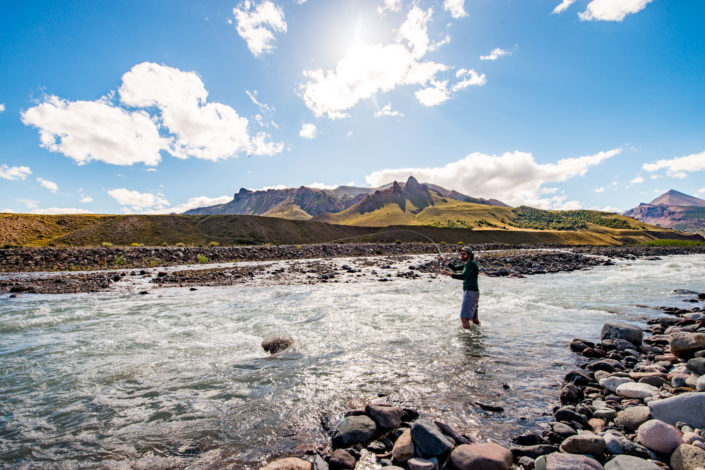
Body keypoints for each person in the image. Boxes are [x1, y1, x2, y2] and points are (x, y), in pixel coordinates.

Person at [441, 246, 480, 329]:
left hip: (470, 293)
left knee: (464, 318)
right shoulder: (467, 263)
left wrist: (448, 273)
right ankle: (479, 336)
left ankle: (468, 340)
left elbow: (463, 276)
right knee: (474, 319)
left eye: (464, 254)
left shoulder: (471, 264)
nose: (462, 256)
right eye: (461, 254)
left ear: (469, 255)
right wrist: (446, 262)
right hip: (473, 293)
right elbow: (455, 268)